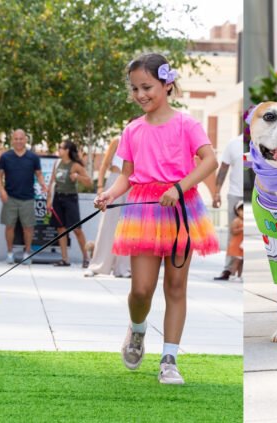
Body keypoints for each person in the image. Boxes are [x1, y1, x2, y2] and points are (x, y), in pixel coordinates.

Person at [94, 53, 219, 385]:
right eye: (135, 89)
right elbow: (127, 176)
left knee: (176, 287)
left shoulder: (187, 124)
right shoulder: (132, 130)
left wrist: (180, 188)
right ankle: (137, 331)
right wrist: (110, 194)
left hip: (180, 211)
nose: (140, 95)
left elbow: (209, 161)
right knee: (141, 290)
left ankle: (169, 359)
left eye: (147, 86)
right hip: (144, 212)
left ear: (167, 84)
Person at [0, 129, 48, 265]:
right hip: (10, 197)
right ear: (12, 140)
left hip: (28, 197)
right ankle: (9, 254)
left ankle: (27, 253)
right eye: (16, 139)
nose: (18, 141)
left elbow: (39, 174)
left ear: (25, 140)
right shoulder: (5, 157)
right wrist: (1, 190)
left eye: (21, 138)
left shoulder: (33, 157)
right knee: (9, 226)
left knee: (28, 227)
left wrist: (43, 184)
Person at [84, 137, 131, 278]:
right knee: (108, 224)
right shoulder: (118, 140)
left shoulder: (143, 140)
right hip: (115, 180)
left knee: (129, 226)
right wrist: (99, 186)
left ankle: (124, 268)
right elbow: (104, 165)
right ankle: (98, 265)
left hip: (133, 183)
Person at [48, 140, 92, 267]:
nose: (59, 149)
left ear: (67, 150)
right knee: (61, 229)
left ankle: (86, 258)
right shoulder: (57, 163)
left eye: (60, 147)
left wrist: (77, 177)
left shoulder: (75, 165)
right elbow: (52, 182)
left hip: (70, 199)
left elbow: (89, 183)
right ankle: (65, 259)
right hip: (58, 198)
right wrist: (49, 200)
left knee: (77, 229)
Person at [212, 134, 244, 281]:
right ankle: (228, 269)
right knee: (234, 233)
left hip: (257, 194)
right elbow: (223, 168)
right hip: (235, 195)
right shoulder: (234, 143)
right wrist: (217, 192)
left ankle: (244, 271)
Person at [227, 200, 244, 282]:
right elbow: (233, 231)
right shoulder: (236, 221)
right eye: (241, 210)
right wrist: (241, 229)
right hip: (236, 245)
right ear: (237, 211)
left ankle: (239, 275)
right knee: (236, 261)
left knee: (241, 262)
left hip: (242, 246)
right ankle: (232, 275)